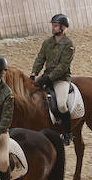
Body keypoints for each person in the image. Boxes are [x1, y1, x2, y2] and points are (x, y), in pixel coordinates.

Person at [30, 13, 76, 145]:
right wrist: (34, 73)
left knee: (61, 105)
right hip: (46, 76)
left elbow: (63, 66)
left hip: (61, 79)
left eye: (55, 26)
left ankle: (68, 134)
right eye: (53, 25)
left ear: (63, 27)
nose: (53, 28)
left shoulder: (69, 45)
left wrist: (48, 79)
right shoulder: (47, 43)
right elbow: (40, 59)